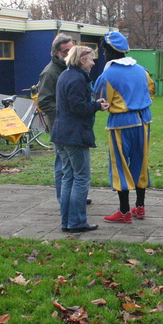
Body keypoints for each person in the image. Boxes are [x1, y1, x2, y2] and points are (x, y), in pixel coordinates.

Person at [94, 31, 156, 224]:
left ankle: (123, 211)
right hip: (144, 121)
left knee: (119, 165)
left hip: (121, 124)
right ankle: (140, 206)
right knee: (140, 163)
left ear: (110, 51)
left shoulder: (107, 74)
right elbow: (152, 90)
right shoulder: (142, 70)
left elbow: (101, 99)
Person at [51, 46, 109, 233]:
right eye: (91, 59)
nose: (93, 63)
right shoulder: (77, 79)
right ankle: (76, 222)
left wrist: (93, 104)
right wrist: (97, 107)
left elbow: (72, 105)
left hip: (61, 133)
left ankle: (67, 222)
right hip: (74, 135)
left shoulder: (65, 76)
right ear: (82, 59)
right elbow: (78, 108)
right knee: (81, 177)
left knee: (68, 177)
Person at [37, 34, 90, 206]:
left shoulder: (69, 70)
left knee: (72, 165)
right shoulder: (50, 73)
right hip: (61, 125)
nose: (69, 54)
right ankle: (64, 199)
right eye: (66, 51)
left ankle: (75, 196)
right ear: (55, 52)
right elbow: (44, 101)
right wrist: (64, 115)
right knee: (63, 164)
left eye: (71, 50)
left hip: (70, 124)